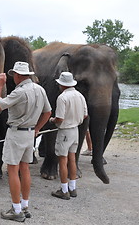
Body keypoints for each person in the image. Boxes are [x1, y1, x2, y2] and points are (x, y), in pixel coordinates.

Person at [0, 61, 51, 222]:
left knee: (13, 170)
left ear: (18, 75)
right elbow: (48, 112)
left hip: (16, 133)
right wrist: (38, 128)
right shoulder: (40, 90)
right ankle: (25, 206)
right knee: (25, 168)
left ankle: (16, 209)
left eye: (14, 75)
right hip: (30, 133)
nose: (13, 78)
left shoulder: (19, 92)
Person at [49, 72, 88, 200]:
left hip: (65, 131)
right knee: (72, 159)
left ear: (62, 84)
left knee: (62, 160)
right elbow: (85, 115)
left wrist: (52, 120)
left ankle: (64, 190)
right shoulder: (80, 95)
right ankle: (73, 188)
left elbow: (60, 118)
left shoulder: (62, 97)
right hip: (75, 130)